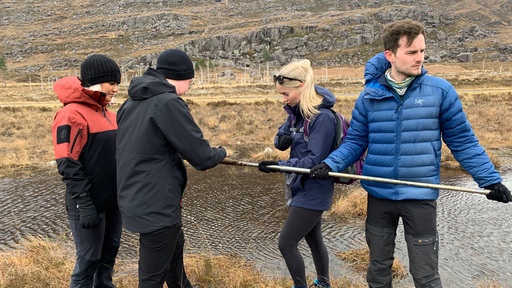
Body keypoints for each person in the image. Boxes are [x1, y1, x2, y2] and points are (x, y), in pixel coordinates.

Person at [310, 19, 512, 287]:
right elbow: (354, 142)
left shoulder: (440, 91)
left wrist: (490, 180)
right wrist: (329, 164)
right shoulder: (369, 96)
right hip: (379, 196)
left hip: (420, 196)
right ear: (390, 55)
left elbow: (463, 141)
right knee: (378, 270)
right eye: (412, 52)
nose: (420, 58)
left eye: (422, 51)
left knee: (426, 276)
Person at [116, 48, 226, 288]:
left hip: (137, 197)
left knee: (174, 252)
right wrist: (221, 152)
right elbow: (202, 157)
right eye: (190, 80)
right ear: (183, 77)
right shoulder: (168, 102)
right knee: (151, 278)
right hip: (156, 204)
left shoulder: (131, 102)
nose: (190, 86)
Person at [258, 59, 337, 288]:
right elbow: (281, 138)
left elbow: (315, 159)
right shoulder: (296, 112)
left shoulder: (322, 117)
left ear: (301, 85)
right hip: (299, 184)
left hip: (315, 187)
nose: (283, 98)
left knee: (286, 243)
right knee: (314, 239)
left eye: (285, 94)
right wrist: (281, 140)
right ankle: (323, 284)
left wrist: (279, 165)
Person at [52, 54, 123, 287]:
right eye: (111, 83)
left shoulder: (108, 114)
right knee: (88, 262)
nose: (115, 88)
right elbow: (67, 164)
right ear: (95, 82)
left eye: (117, 83)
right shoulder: (71, 114)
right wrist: (84, 203)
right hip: (88, 205)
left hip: (112, 204)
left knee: (107, 257)